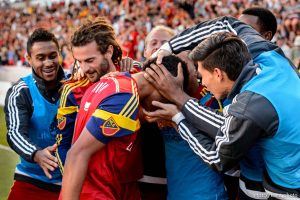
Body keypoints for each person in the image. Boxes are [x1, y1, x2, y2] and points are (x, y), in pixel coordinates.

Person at [147, 16, 299, 199]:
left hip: (288, 190)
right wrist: (167, 48)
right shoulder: (262, 51)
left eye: (202, 75)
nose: (201, 82)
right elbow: (225, 23)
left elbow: (216, 157)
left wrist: (178, 115)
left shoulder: (249, 107)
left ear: (218, 74)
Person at [60, 55, 189, 200]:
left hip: (101, 187)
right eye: (168, 97)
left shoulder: (114, 83)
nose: (167, 104)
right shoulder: (126, 97)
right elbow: (76, 154)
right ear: (160, 81)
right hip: (97, 190)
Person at [56, 17, 126, 172]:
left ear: (109, 51)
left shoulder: (131, 75)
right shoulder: (74, 90)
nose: (85, 68)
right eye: (79, 62)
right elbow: (63, 146)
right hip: (94, 187)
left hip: (131, 186)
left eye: (90, 60)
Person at [4, 28, 65, 199]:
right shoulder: (21, 91)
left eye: (52, 56)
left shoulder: (75, 84)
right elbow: (15, 133)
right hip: (31, 180)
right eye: (40, 58)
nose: (48, 63)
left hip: (70, 183)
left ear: (59, 54)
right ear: (29, 59)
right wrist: (36, 154)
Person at [138, 25, 175, 200]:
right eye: (153, 43)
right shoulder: (128, 78)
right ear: (145, 51)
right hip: (139, 178)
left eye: (165, 43)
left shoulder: (191, 83)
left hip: (176, 182)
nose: (159, 47)